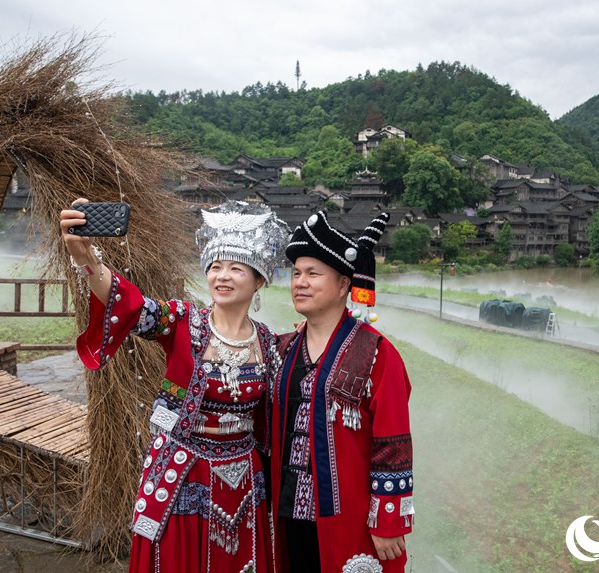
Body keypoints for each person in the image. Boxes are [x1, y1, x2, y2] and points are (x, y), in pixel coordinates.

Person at [60, 199, 289, 573]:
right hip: (183, 473)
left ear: (260, 279)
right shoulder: (183, 322)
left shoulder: (269, 343)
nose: (222, 277)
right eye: (215, 267)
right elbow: (131, 306)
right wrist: (86, 258)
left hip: (246, 479)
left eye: (235, 268)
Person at [270, 211, 414, 573]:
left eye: (313, 274)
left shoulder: (377, 354)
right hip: (287, 514)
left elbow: (393, 441)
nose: (300, 283)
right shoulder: (282, 348)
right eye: (296, 273)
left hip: (347, 516)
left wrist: (388, 519)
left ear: (342, 285)